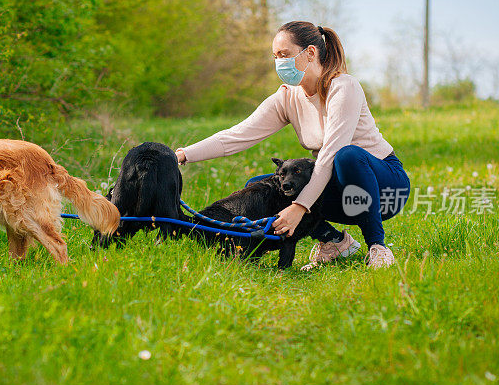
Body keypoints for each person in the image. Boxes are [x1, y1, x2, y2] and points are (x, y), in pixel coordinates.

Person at [175, 21, 410, 269]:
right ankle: (334, 242)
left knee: (347, 156)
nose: (279, 62)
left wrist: (299, 207)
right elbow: (238, 135)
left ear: (310, 52)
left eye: (285, 55)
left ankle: (379, 248)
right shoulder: (287, 97)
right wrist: (181, 155)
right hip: (341, 191)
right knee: (260, 187)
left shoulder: (344, 88)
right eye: (276, 56)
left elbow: (329, 155)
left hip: (385, 189)